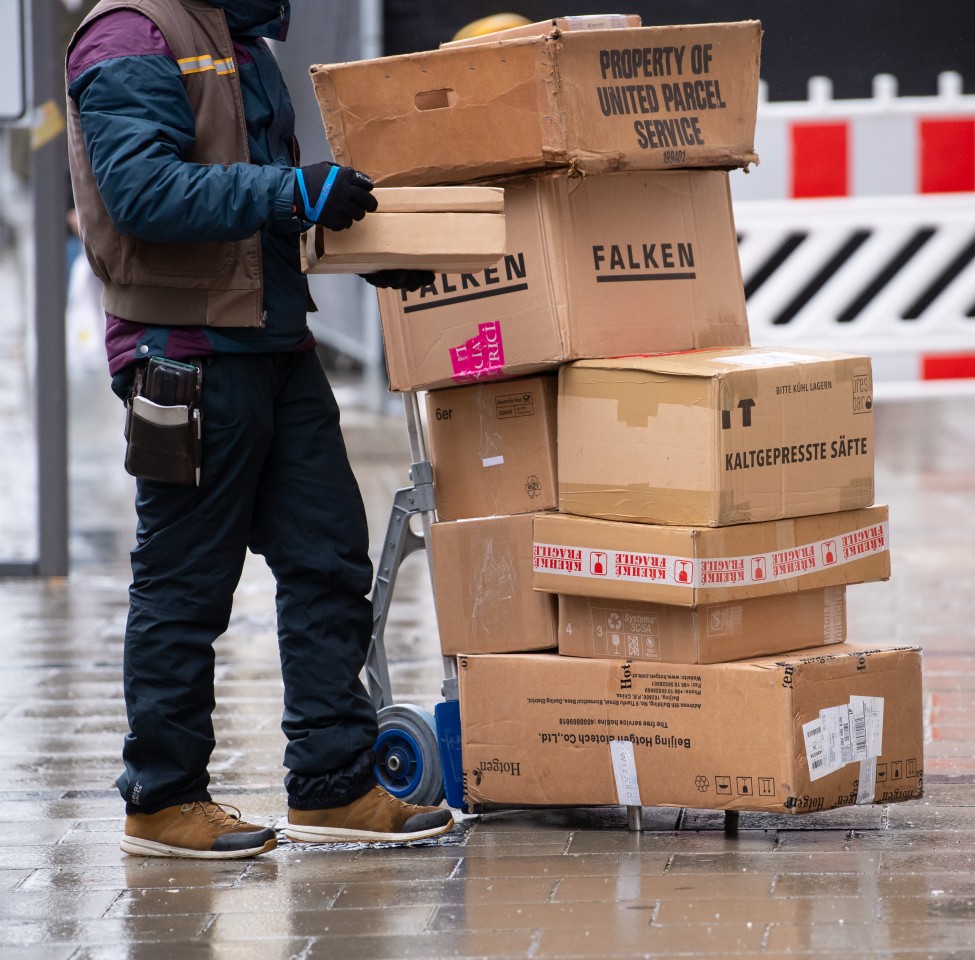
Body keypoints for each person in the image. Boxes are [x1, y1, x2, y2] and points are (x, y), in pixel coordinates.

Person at [65, 0, 455, 859]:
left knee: (326, 559)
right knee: (185, 585)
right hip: (188, 350)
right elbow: (142, 191)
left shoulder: (238, 39)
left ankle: (334, 785)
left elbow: (254, 216)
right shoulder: (133, 32)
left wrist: (359, 243)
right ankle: (162, 801)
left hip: (275, 341)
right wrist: (293, 191)